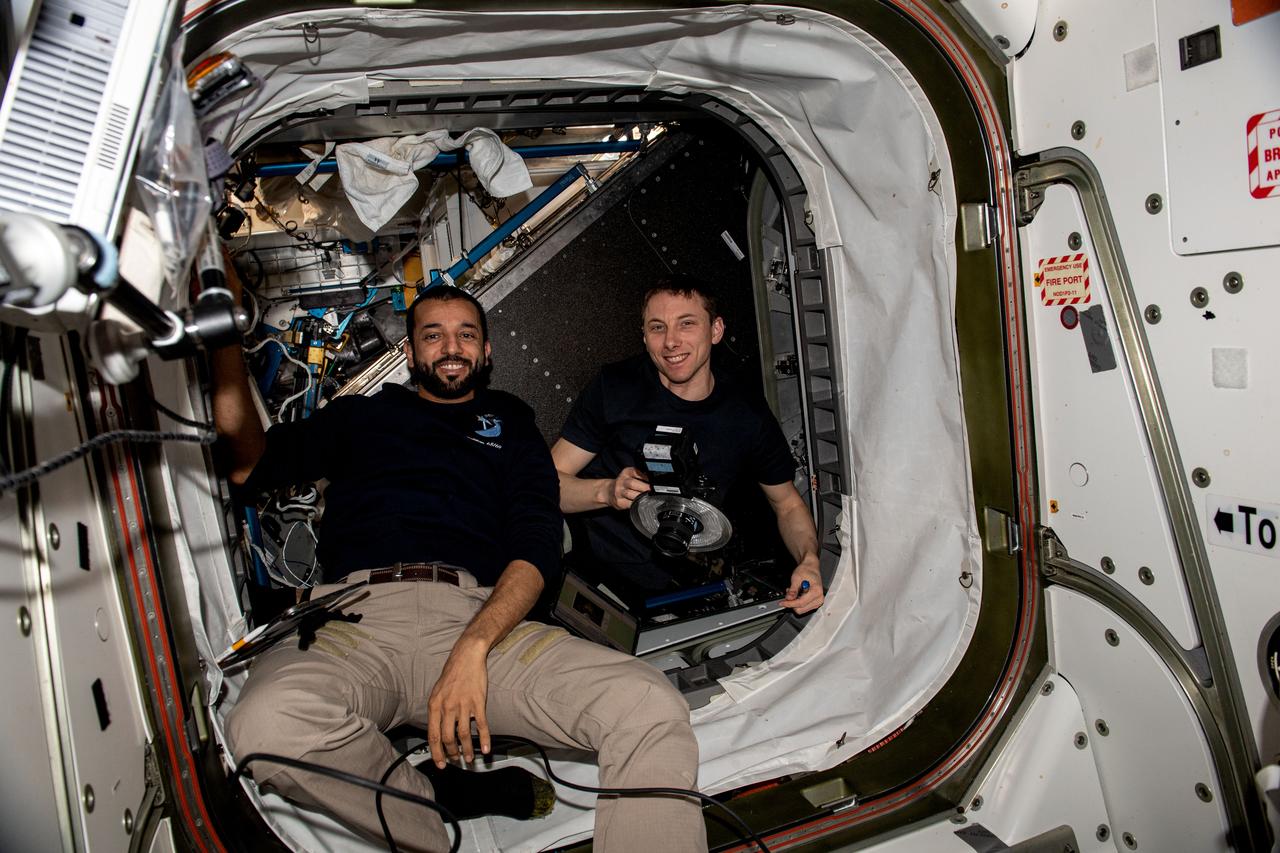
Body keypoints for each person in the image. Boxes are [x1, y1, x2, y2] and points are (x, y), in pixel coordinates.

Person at [214, 280, 707, 853]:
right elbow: (248, 466)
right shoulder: (359, 418)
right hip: (356, 623)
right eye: (433, 335)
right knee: (264, 728)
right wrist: (224, 340)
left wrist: (473, 647)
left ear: (487, 350)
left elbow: (538, 540)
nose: (451, 347)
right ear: (409, 352)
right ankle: (426, 815)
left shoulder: (510, 420)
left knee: (646, 703)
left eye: (466, 334)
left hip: (480, 621)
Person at [552, 276, 825, 614]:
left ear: (715, 330)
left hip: (667, 583)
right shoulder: (616, 387)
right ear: (644, 336)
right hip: (584, 559)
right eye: (657, 327)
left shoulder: (746, 415)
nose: (671, 342)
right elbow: (548, 484)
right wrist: (607, 491)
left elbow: (787, 505)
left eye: (687, 324)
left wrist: (810, 560)